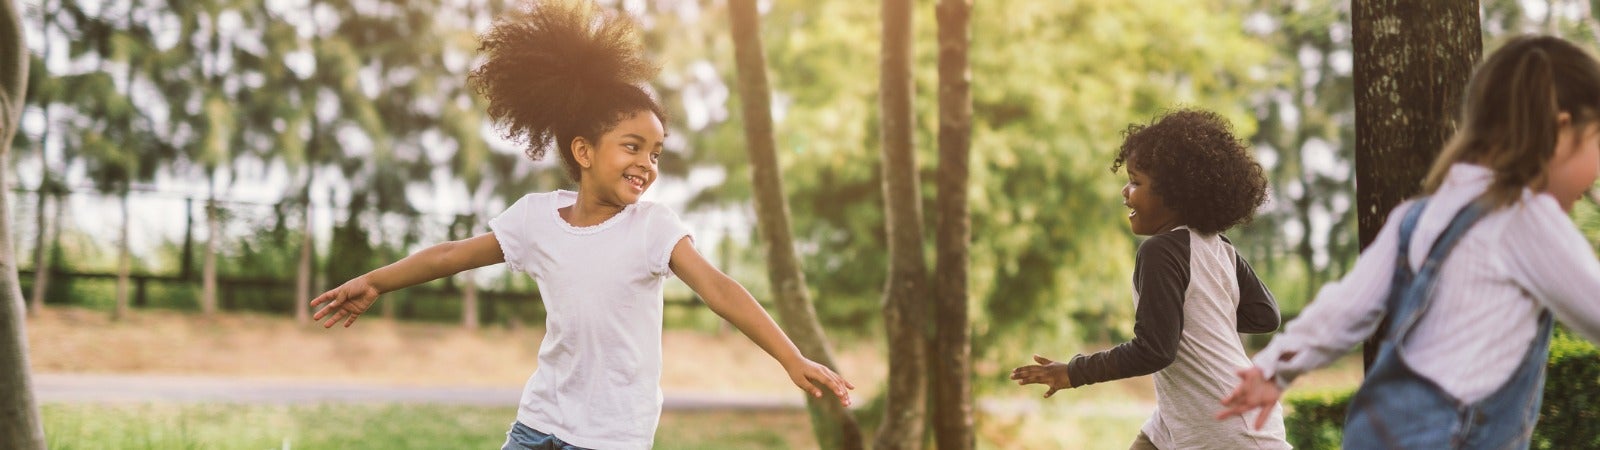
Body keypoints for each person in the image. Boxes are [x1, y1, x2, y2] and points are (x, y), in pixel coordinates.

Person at [308, 1, 852, 449]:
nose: (648, 163)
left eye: (657, 152)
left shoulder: (653, 227)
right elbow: (453, 255)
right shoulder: (536, 219)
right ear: (584, 151)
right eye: (632, 147)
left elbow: (720, 290)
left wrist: (790, 356)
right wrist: (377, 280)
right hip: (538, 423)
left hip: (613, 437)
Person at [1218, 35, 1600, 449]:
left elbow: (1347, 308)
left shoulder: (1417, 217)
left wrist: (1274, 368)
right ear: (1561, 131)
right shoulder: (1525, 218)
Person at [1011, 108, 1290, 449]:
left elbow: (1154, 350)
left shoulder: (1161, 250)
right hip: (1195, 413)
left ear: (1175, 194)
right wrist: (1205, 320)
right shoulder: (1219, 248)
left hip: (1221, 425)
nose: (1125, 192)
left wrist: (1074, 372)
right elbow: (1265, 315)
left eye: (1136, 182)